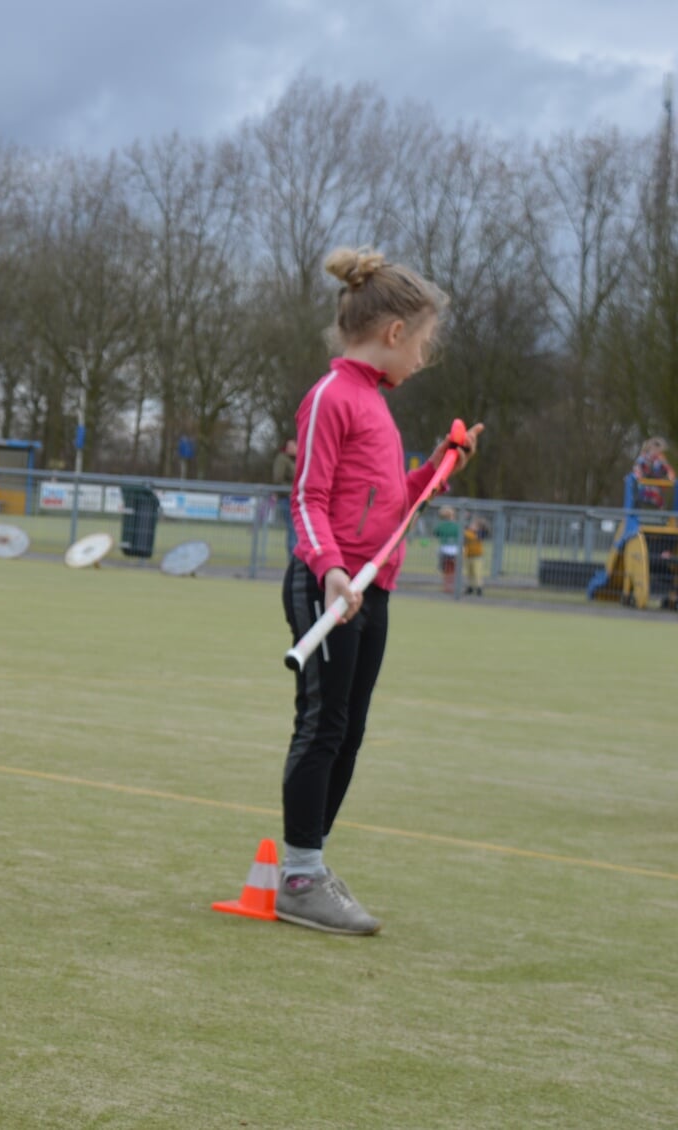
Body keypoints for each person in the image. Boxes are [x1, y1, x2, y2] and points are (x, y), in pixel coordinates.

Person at [281, 247, 481, 935]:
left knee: (351, 732)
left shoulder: (374, 404)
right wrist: (332, 568)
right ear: (395, 334)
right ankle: (301, 873)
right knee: (323, 726)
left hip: (375, 591)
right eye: (424, 342)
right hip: (328, 586)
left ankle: (309, 864)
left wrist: (440, 466)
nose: (424, 356)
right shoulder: (333, 397)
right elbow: (306, 498)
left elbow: (394, 507)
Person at [633, 437, 673, 509]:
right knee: (640, 495)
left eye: (658, 449)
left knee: (658, 499)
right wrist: (639, 476)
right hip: (644, 488)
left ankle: (659, 508)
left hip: (656, 490)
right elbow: (637, 470)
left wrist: (670, 477)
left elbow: (669, 471)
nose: (656, 451)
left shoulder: (660, 460)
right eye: (654, 448)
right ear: (649, 448)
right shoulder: (643, 458)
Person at [433, 505, 461, 594]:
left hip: (444, 549)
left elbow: (436, 533)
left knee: (446, 570)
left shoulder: (441, 525)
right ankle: (453, 587)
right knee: (454, 570)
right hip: (455, 550)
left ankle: (446, 587)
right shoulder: (457, 525)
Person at [462, 515, 488, 596]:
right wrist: (466, 517)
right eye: (472, 525)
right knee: (469, 573)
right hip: (468, 556)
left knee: (477, 573)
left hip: (477, 556)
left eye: (474, 525)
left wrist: (481, 525)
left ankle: (479, 587)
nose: (471, 526)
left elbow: (485, 531)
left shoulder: (480, 534)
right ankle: (470, 587)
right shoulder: (467, 532)